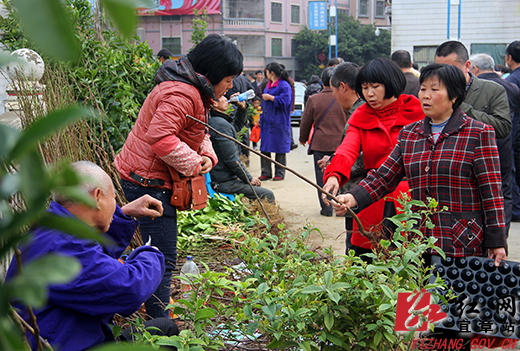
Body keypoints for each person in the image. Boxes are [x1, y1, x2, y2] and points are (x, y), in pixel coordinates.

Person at [332, 64, 507, 350]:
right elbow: (383, 177)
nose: (425, 95)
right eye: (423, 89)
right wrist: (354, 198)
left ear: (454, 96)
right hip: (416, 245)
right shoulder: (411, 134)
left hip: (461, 244)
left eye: (434, 89)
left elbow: (492, 191)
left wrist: (497, 240)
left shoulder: (478, 133)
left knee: (452, 329)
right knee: (418, 328)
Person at [115, 34, 243, 319]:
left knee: (158, 254)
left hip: (149, 176)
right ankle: (159, 324)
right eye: (229, 79)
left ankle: (156, 316)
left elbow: (197, 131)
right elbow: (160, 137)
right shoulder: (181, 93)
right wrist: (195, 163)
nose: (231, 86)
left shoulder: (193, 89)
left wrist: (208, 156)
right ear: (212, 73)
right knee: (161, 259)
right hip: (149, 181)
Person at [5, 161, 179, 351]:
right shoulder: (63, 247)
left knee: (164, 328)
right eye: (113, 198)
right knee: (166, 336)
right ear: (97, 197)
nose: (116, 205)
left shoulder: (52, 229)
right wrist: (151, 253)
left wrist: (121, 215)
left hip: (70, 336)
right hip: (67, 344)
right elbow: (130, 289)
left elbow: (91, 255)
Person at [322, 58, 423, 256]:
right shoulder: (361, 116)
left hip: (411, 200)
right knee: (367, 258)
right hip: (372, 197)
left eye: (375, 87)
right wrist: (334, 175)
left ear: (391, 84)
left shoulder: (417, 112)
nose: (369, 94)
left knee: (411, 262)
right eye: (365, 88)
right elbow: (347, 149)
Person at [469, 53, 520, 235]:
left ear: (474, 68)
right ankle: (502, 234)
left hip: (482, 152)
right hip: (506, 149)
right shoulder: (511, 86)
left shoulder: (475, 89)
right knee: (504, 195)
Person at [435, 40, 511, 140]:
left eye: (451, 69)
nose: (445, 74)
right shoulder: (433, 91)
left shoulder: (493, 90)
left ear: (467, 66)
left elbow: (502, 128)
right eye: (439, 69)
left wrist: (459, 106)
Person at [209, 95, 275, 202]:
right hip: (223, 182)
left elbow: (235, 127)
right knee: (267, 195)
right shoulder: (220, 125)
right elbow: (232, 160)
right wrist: (249, 178)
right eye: (222, 97)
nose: (226, 98)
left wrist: (242, 108)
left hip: (223, 178)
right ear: (214, 103)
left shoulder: (219, 121)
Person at [299, 67, 347, 216]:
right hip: (341, 143)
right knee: (341, 174)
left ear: (322, 81)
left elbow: (306, 122)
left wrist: (302, 138)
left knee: (322, 177)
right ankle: (342, 205)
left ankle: (326, 208)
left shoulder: (314, 99)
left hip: (321, 144)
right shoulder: (344, 98)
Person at [259, 62, 293, 181]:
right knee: (265, 147)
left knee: (279, 148)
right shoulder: (268, 84)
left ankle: (280, 172)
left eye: (267, 72)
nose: (266, 74)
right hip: (267, 121)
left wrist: (271, 98)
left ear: (271, 72)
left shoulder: (284, 85)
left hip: (279, 121)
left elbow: (286, 101)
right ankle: (266, 171)